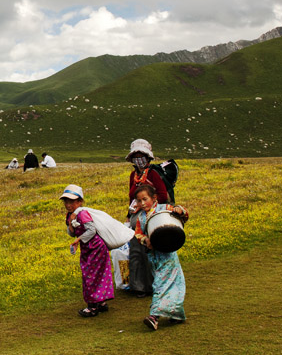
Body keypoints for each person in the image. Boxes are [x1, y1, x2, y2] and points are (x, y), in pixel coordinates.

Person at [132, 182, 189, 330]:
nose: (142, 203)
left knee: (160, 283)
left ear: (154, 198)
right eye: (139, 200)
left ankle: (154, 316)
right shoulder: (141, 217)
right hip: (154, 256)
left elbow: (184, 216)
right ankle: (175, 314)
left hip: (168, 255)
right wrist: (146, 240)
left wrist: (180, 210)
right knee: (172, 283)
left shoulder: (165, 209)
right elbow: (138, 234)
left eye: (145, 199)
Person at [60, 184, 114, 317]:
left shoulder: (82, 214)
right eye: (66, 201)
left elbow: (91, 230)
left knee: (91, 275)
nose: (68, 204)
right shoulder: (70, 216)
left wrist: (78, 240)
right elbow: (71, 233)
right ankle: (100, 302)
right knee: (95, 274)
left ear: (80, 202)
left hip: (95, 248)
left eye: (72, 201)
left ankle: (92, 306)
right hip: (88, 249)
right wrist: (72, 225)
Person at [125, 138, 170, 298]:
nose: (139, 159)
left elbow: (163, 196)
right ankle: (138, 287)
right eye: (136, 156)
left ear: (148, 157)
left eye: (141, 155)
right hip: (135, 218)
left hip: (151, 218)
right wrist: (130, 212)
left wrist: (146, 205)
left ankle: (154, 285)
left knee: (149, 251)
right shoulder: (133, 175)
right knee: (136, 252)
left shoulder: (154, 174)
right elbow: (130, 197)